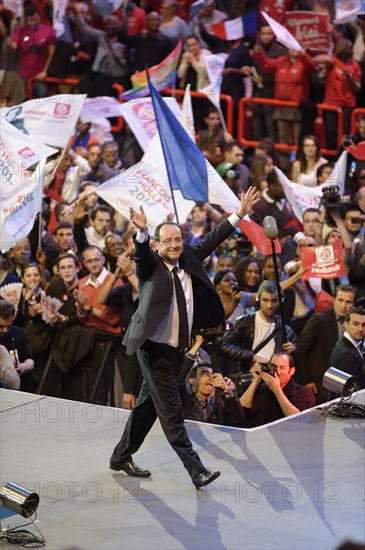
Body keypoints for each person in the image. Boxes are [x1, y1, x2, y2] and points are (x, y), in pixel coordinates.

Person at [109, 187, 260, 489]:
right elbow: (139, 254)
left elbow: (212, 238)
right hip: (153, 350)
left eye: (179, 239)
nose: (175, 244)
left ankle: (120, 457)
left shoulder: (188, 257)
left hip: (177, 349)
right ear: (158, 244)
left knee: (147, 407)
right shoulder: (151, 265)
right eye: (169, 241)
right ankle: (197, 471)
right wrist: (140, 231)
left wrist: (239, 214)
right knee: (172, 412)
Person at [219, 281, 297, 378]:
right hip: (248, 377)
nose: (269, 305)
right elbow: (223, 345)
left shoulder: (287, 331)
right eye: (265, 300)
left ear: (280, 301)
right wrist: (251, 356)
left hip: (275, 380)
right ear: (258, 300)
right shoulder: (244, 322)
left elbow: (294, 363)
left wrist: (293, 351)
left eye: (274, 301)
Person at [297, 284, 356, 404]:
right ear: (333, 299)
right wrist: (306, 381)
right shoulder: (319, 319)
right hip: (320, 384)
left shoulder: (355, 323)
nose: (344, 306)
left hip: (345, 383)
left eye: (348, 302)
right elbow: (301, 351)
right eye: (340, 300)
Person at [240, 352, 316, 427]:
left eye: (282, 368)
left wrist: (277, 390)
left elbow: (297, 419)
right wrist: (256, 380)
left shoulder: (304, 392)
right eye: (274, 367)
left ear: (292, 371)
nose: (278, 372)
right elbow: (241, 410)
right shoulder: (264, 389)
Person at [329, 307, 365, 392]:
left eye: (364, 325)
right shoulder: (346, 354)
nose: (360, 329)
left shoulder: (348, 345)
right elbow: (354, 392)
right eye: (355, 324)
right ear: (346, 325)